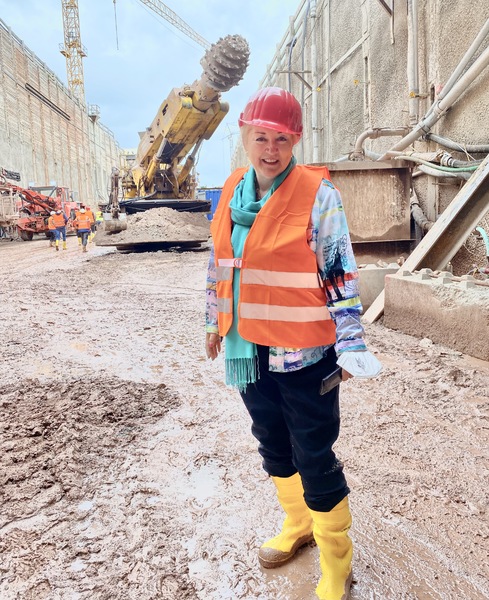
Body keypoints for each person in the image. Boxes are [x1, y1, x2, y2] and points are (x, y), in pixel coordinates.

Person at [205, 87, 379, 600]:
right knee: (273, 443)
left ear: (295, 140)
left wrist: (350, 343)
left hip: (304, 355)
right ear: (245, 137)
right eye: (261, 137)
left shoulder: (317, 194)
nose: (271, 148)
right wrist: (214, 321)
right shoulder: (233, 189)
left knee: (314, 453)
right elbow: (219, 262)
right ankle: (298, 525)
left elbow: (340, 275)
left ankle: (335, 560)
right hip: (249, 350)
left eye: (282, 138)